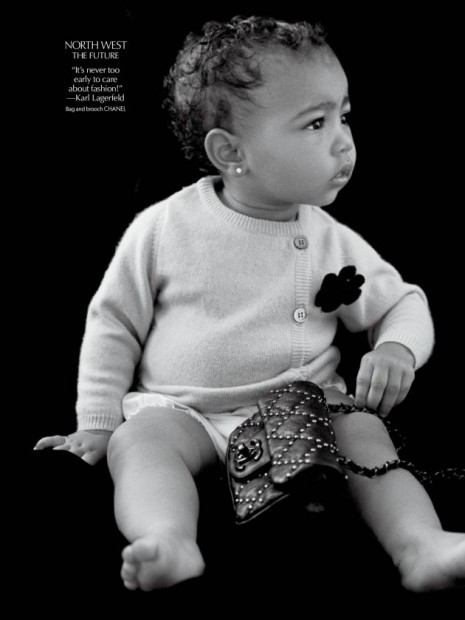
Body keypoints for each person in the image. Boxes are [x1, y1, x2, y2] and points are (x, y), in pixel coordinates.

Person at [34, 15, 465, 592]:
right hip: (186, 410)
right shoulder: (163, 229)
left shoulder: (329, 239)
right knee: (138, 444)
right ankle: (167, 539)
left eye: (344, 116)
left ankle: (421, 545)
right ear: (231, 151)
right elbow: (113, 323)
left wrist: (396, 349)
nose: (343, 140)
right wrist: (97, 423)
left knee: (364, 433)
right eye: (315, 123)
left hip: (303, 409)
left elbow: (403, 302)